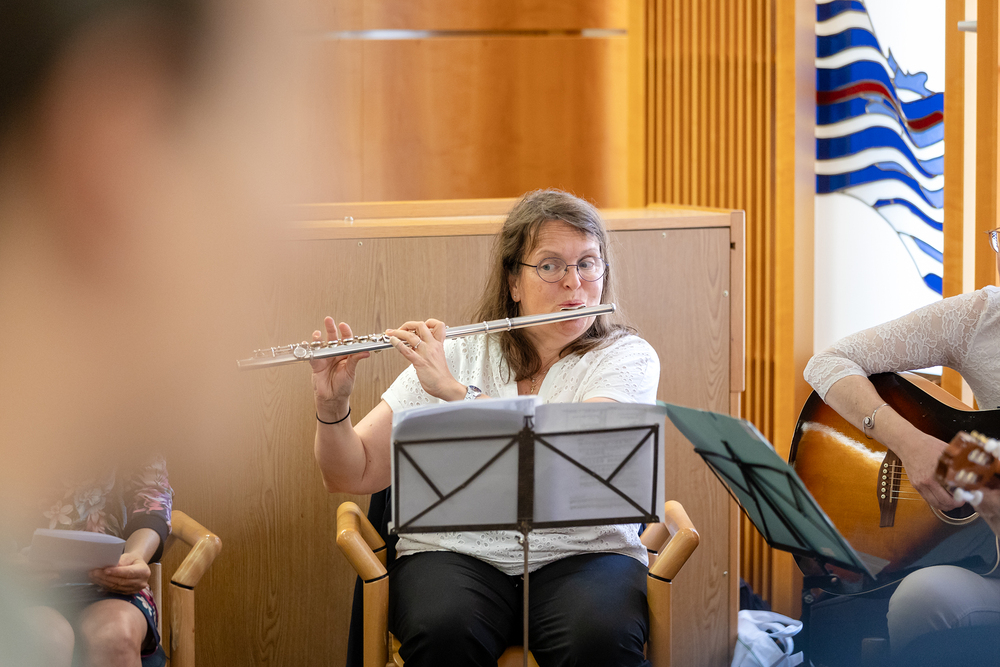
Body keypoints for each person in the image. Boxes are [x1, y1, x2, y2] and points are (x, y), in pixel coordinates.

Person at [0, 0, 301, 664]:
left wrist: (133, 556)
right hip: (28, 587)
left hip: (102, 586)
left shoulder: (118, 404)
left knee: (111, 636)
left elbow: (149, 491)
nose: (284, 237)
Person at [310, 189, 661, 667]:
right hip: (457, 556)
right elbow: (351, 473)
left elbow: (573, 455)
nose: (574, 283)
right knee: (443, 630)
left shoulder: (625, 358)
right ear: (514, 282)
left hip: (585, 556)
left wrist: (456, 393)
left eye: (587, 263)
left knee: (598, 638)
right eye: (551, 265)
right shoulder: (455, 355)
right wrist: (333, 407)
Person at [803, 228, 1000, 661]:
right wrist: (912, 445)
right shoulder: (982, 316)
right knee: (920, 596)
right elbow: (828, 363)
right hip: (987, 557)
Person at [20, 458, 173, 667]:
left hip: (112, 580)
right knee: (43, 638)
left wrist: (136, 556)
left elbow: (151, 500)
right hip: (19, 582)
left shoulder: (137, 437)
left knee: (117, 636)